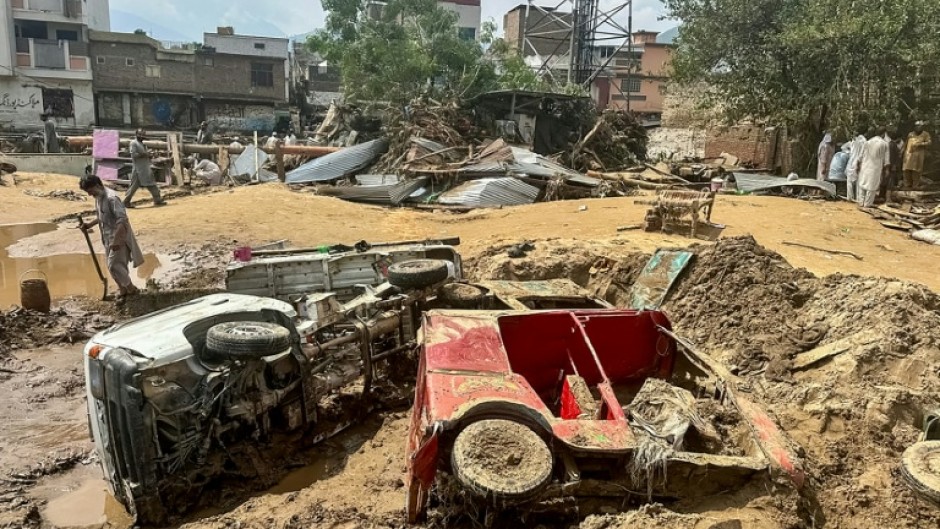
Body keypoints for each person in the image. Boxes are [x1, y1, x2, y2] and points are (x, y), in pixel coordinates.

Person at [79, 175, 145, 304]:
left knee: (114, 265)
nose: (89, 194)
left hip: (119, 238)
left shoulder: (112, 198)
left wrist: (117, 240)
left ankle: (132, 290)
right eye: (87, 192)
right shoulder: (98, 198)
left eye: (90, 190)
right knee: (115, 267)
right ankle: (123, 291)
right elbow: (102, 217)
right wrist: (89, 225)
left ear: (98, 185)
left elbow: (122, 221)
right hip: (108, 238)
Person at [124, 129, 166, 208]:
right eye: (140, 134)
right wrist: (145, 154)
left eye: (143, 134)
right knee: (133, 187)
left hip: (145, 168)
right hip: (138, 169)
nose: (142, 136)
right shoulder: (134, 143)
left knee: (152, 184)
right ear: (136, 134)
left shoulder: (142, 144)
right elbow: (134, 155)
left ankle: (157, 200)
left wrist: (150, 155)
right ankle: (126, 201)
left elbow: (145, 155)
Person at [857, 127, 890, 208]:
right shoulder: (884, 144)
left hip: (865, 166)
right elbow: (886, 160)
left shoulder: (868, 142)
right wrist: (887, 170)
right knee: (872, 187)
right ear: (883, 134)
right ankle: (867, 205)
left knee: (862, 184)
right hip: (875, 169)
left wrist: (857, 166)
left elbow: (860, 157)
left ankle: (860, 203)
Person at [903, 121, 932, 189]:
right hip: (908, 155)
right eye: (916, 126)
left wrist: (921, 144)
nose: (918, 127)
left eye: (919, 126)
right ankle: (907, 185)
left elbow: (929, 142)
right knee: (906, 170)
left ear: (922, 127)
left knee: (916, 171)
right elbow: (906, 143)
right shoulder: (910, 134)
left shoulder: (925, 134)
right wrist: (902, 151)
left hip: (918, 156)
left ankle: (915, 185)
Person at [845, 127, 868, 201]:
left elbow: (845, 148)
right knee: (859, 181)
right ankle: (858, 198)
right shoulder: (864, 141)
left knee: (849, 181)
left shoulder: (854, 140)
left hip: (852, 161)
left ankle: (849, 197)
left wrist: (849, 153)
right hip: (859, 162)